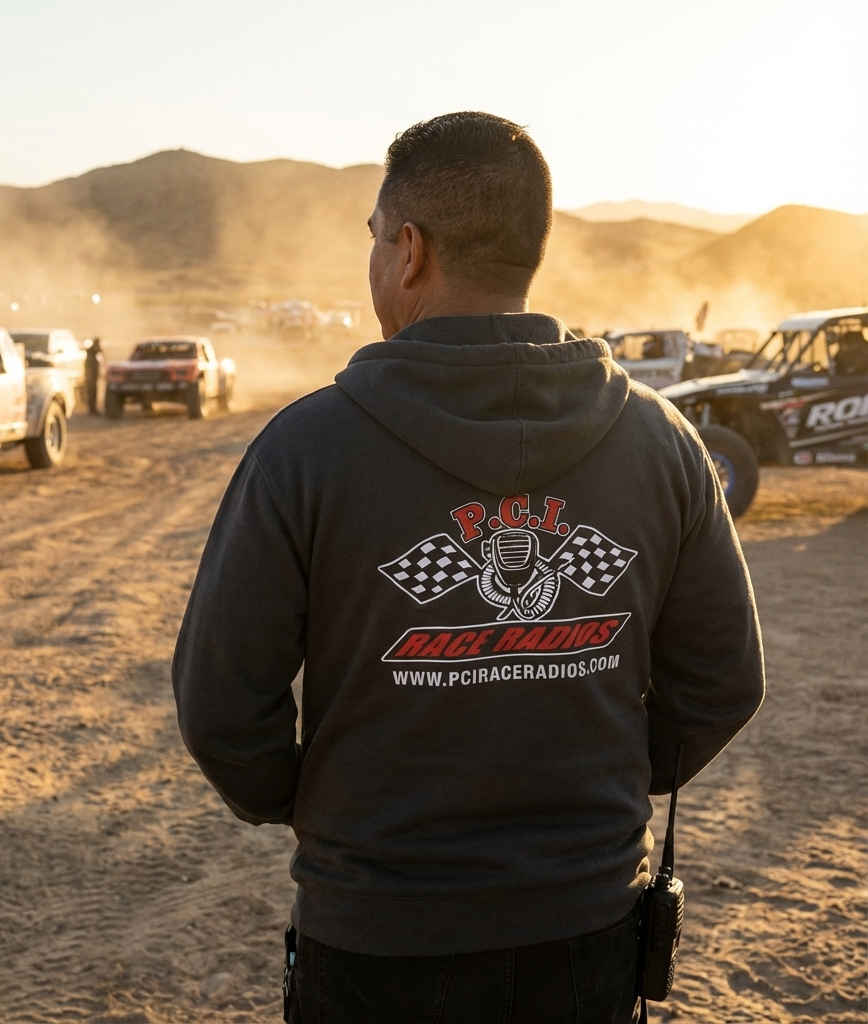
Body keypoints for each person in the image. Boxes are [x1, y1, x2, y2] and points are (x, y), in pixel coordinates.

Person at [172, 112, 764, 1023]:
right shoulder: (664, 444)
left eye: (374, 239)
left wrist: (315, 803)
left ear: (409, 250)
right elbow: (724, 680)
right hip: (588, 928)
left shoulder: (306, 448)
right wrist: (601, 786)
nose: (373, 260)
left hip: (375, 934)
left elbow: (220, 702)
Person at [84, 336, 104, 414]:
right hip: (91, 377)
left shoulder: (92, 352)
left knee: (93, 393)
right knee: (91, 393)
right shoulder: (90, 353)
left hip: (93, 376)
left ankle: (93, 409)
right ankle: (92, 409)